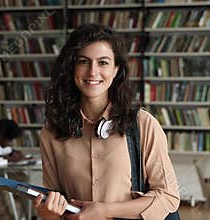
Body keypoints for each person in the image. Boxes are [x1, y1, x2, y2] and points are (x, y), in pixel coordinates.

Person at [34, 23, 180, 219]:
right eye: (84, 61)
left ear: (116, 69)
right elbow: (55, 207)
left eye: (103, 63)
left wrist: (104, 211)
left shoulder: (142, 123)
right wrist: (47, 213)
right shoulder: (51, 133)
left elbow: (168, 196)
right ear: (71, 67)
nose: (92, 72)